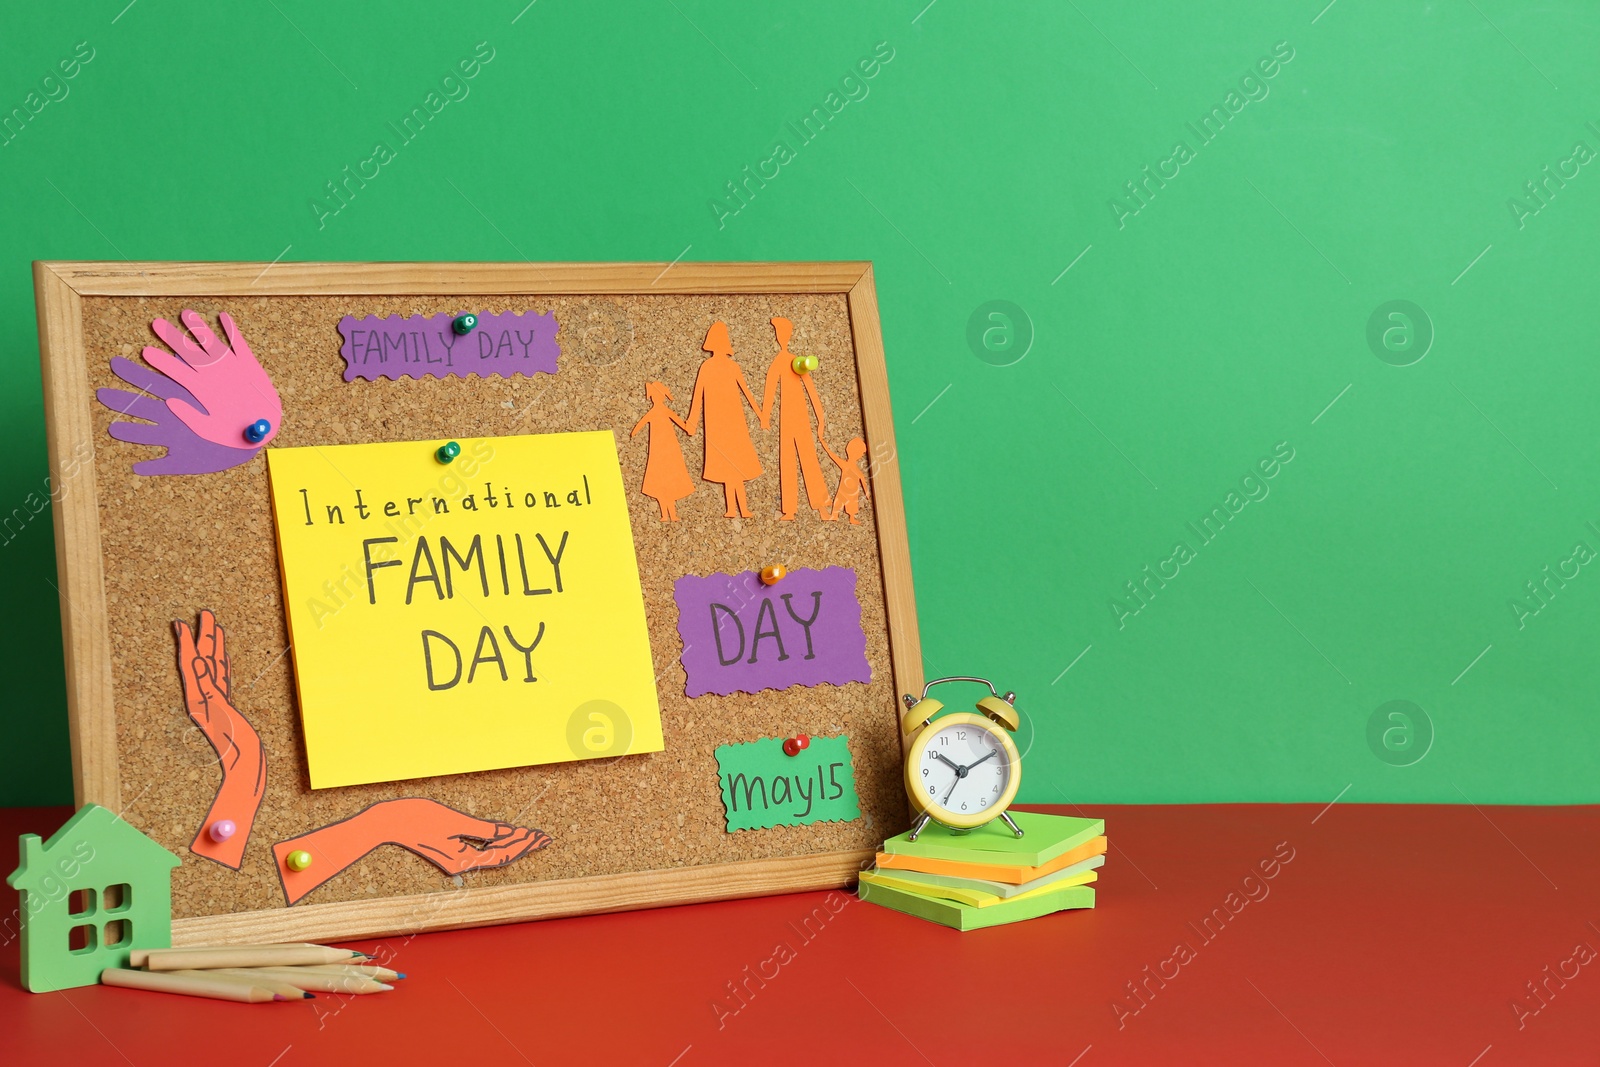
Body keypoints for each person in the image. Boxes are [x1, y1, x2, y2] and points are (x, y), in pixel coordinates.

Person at [684, 321, 764, 518]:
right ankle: (736, 509)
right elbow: (746, 393)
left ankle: (736, 509)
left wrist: (692, 421)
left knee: (731, 466)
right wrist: (760, 413)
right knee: (732, 466)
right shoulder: (720, 366)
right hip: (724, 421)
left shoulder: (713, 366)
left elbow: (744, 391)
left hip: (723, 421)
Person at [759, 317, 833, 520]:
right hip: (787, 416)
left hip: (799, 415)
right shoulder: (781, 361)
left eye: (783, 334)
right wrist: (765, 416)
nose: (782, 338)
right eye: (779, 334)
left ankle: (821, 508)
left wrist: (820, 417)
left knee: (806, 455)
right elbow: (770, 390)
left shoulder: (795, 362)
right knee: (788, 458)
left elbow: (811, 390)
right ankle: (790, 510)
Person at [629, 381, 694, 521]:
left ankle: (669, 513)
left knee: (666, 478)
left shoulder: (660, 411)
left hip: (667, 449)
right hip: (660, 449)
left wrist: (687, 427)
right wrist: (687, 427)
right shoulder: (659, 411)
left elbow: (641, 424)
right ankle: (666, 514)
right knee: (662, 478)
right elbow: (641, 424)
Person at [826, 437, 871, 524]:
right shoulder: (846, 465)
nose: (861, 455)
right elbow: (833, 456)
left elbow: (862, 479)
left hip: (852, 491)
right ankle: (835, 516)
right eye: (861, 453)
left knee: (851, 505)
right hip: (844, 489)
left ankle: (851, 518)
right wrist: (825, 446)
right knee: (838, 502)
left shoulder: (854, 468)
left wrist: (867, 493)